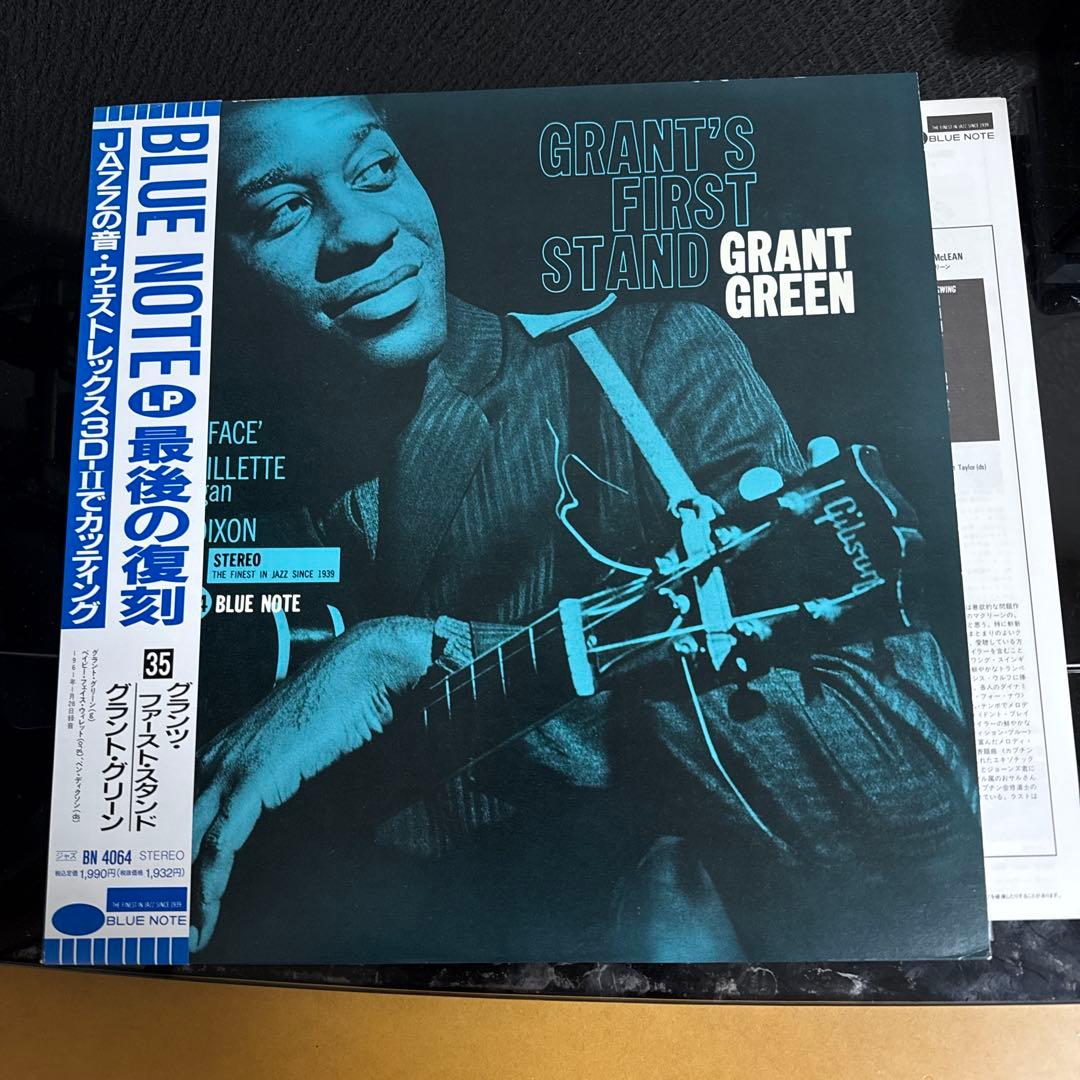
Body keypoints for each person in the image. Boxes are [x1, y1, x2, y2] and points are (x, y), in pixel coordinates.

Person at [191, 95, 985, 962]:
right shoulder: (189, 483)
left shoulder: (636, 368)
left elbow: (910, 794)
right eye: (282, 210)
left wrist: (417, 656)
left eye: (377, 169)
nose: (363, 231)